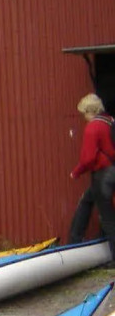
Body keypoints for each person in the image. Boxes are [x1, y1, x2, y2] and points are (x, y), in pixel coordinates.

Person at [67, 93, 115, 257]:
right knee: (87, 201)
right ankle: (75, 241)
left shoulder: (93, 127)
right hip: (112, 172)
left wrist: (76, 172)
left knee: (108, 217)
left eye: (83, 114)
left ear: (89, 111)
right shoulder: (110, 121)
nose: (84, 118)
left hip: (103, 176)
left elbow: (88, 158)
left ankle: (73, 245)